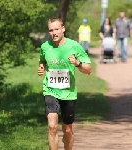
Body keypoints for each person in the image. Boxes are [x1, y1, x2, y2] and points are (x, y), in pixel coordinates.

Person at [37, 17, 91, 150]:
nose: (54, 32)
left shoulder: (74, 46)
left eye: (56, 29)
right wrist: (41, 67)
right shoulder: (45, 47)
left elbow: (88, 70)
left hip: (68, 93)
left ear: (63, 29)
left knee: (67, 130)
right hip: (50, 90)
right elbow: (42, 61)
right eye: (51, 30)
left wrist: (77, 63)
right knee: (52, 126)